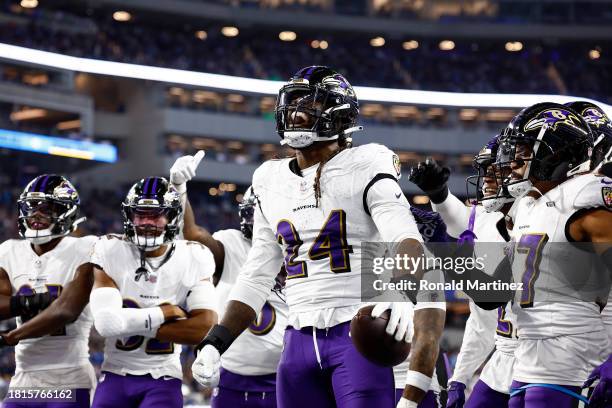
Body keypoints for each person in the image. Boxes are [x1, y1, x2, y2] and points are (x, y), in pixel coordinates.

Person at [192, 65, 446, 408]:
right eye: (293, 104)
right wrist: (215, 342)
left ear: (338, 113)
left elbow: (405, 235)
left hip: (355, 328)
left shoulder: (367, 163)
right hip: (296, 337)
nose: (297, 113)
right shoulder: (269, 178)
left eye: (309, 104)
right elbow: (257, 275)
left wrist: (400, 289)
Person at [495, 102, 612, 408]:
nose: (515, 160)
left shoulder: (584, 199)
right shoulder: (529, 206)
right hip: (527, 356)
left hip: (570, 357)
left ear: (556, 155)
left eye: (525, 150)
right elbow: (494, 292)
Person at [169, 152, 287, 408]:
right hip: (233, 378)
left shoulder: (304, 247)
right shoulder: (234, 244)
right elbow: (192, 235)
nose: (257, 221)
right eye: (254, 213)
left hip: (286, 379)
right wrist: (179, 188)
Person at [88, 177, 218, 408]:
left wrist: (129, 322)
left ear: (172, 217)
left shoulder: (194, 256)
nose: (147, 222)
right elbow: (106, 323)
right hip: (115, 373)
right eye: (140, 214)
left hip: (163, 378)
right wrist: (165, 312)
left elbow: (204, 328)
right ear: (130, 216)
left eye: (155, 215)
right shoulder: (109, 249)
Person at [0, 174, 96, 408]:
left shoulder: (87, 248)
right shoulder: (9, 251)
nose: (37, 215)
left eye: (48, 208)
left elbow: (66, 311)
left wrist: (10, 336)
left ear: (67, 212)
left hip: (69, 378)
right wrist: (37, 301)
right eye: (32, 207)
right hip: (24, 380)